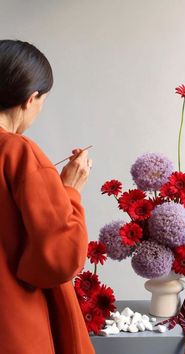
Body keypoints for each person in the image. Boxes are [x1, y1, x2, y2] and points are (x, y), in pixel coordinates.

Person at [0, 39, 95, 354]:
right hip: (13, 324)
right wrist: (70, 191)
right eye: (43, 100)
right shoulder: (17, 152)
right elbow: (58, 257)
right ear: (31, 98)